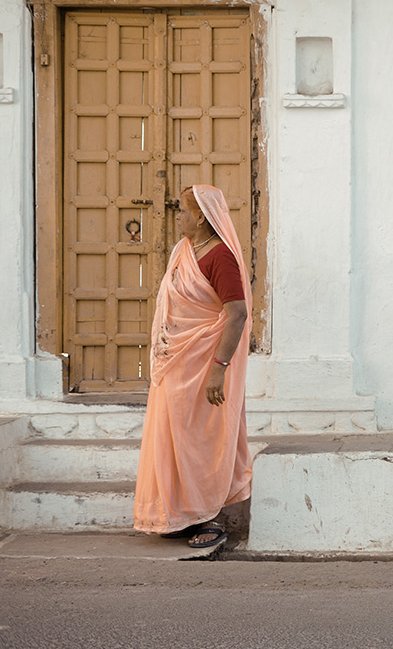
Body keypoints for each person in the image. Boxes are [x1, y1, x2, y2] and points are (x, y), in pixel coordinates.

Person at [133, 185, 253, 548]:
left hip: (205, 368)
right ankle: (180, 514)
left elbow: (237, 313)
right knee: (174, 438)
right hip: (176, 366)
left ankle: (209, 518)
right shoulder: (183, 251)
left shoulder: (220, 258)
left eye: (183, 211)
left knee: (202, 440)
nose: (177, 216)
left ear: (201, 216)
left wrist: (219, 368)